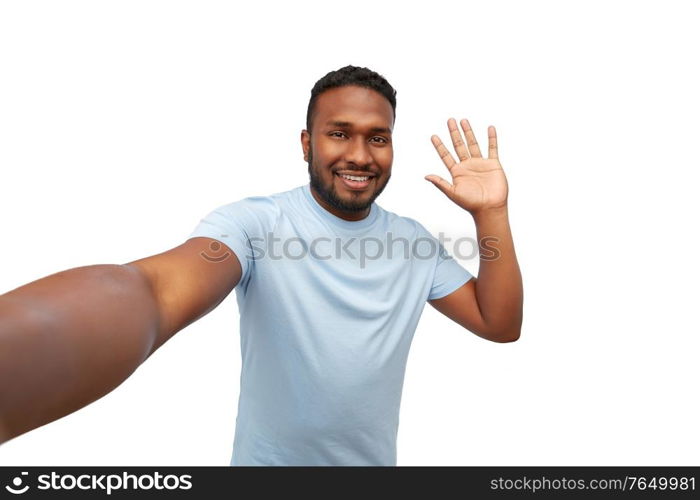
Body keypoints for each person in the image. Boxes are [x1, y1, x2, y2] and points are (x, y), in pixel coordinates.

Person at [0, 65, 523, 465]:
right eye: (339, 133)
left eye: (377, 137)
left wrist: (492, 214)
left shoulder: (413, 243)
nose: (360, 155)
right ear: (306, 144)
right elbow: (155, 292)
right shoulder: (256, 225)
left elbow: (499, 323)